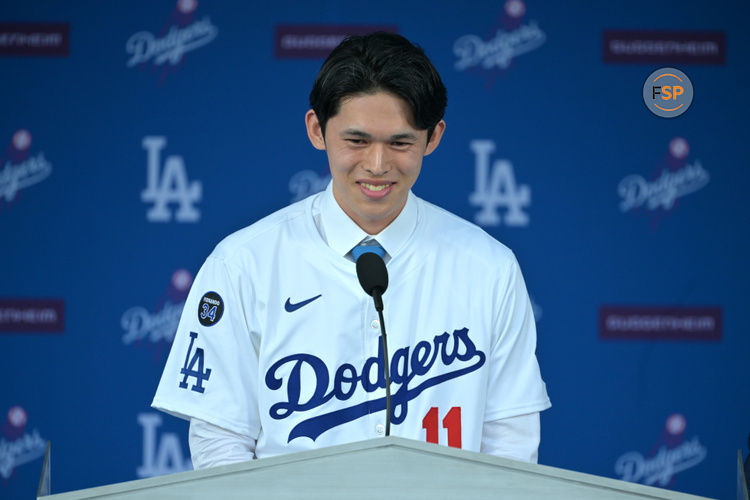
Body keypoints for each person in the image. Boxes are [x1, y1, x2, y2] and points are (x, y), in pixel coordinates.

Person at [152, 32, 550, 470]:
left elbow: (510, 448)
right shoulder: (242, 263)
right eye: (356, 141)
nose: (378, 165)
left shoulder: (489, 267)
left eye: (400, 143)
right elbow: (220, 443)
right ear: (316, 130)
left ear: (433, 137)